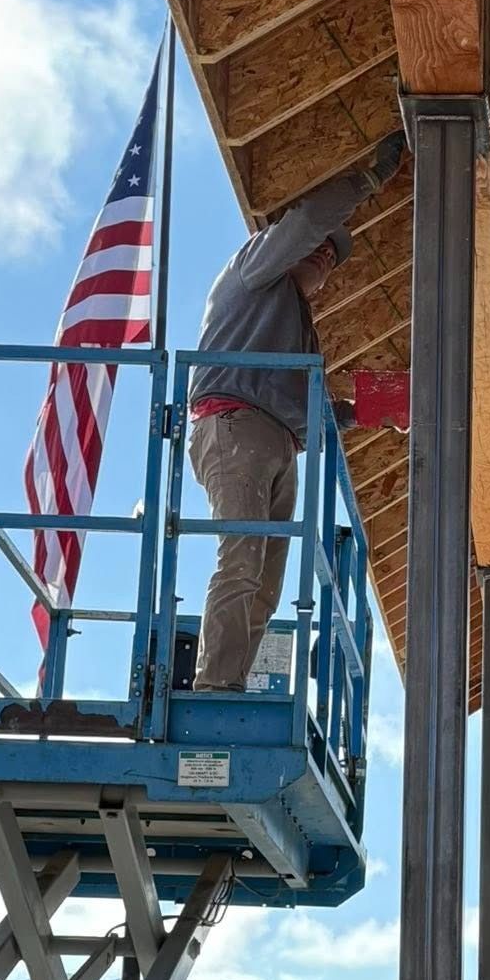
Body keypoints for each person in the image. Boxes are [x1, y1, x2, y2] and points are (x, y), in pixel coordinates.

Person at [188, 129, 407, 691]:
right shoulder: (254, 269)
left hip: (277, 441)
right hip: (235, 426)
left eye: (332, 258)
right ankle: (215, 688)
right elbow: (307, 222)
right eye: (319, 249)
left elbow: (311, 406)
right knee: (241, 561)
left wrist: (379, 405)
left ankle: (228, 683)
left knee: (264, 581)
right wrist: (370, 179)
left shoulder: (296, 330)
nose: (324, 261)